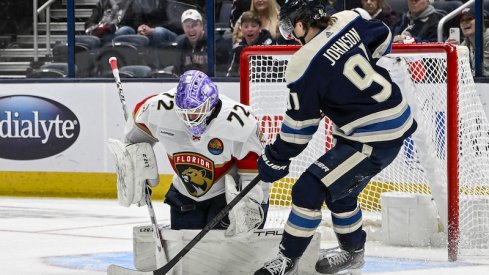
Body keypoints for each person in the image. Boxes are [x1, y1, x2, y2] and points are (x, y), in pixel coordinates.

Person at [253, 0, 417, 274]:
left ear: (302, 24)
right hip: (393, 120)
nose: (291, 35)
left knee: (307, 189)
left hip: (372, 138)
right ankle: (353, 253)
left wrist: (275, 158)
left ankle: (286, 261)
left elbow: (300, 128)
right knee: (340, 194)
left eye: (291, 27)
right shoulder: (350, 18)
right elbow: (384, 36)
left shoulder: (303, 63)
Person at [120, 70, 270, 236]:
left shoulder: (240, 123)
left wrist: (253, 203)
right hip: (184, 193)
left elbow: (254, 173)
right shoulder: (157, 108)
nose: (190, 118)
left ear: (211, 102)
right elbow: (134, 140)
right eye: (184, 112)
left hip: (226, 199)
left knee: (224, 256)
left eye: (196, 111)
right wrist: (135, 165)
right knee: (182, 252)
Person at [227, 11, 275, 76]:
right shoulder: (237, 48)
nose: (250, 29)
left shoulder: (270, 45)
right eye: (246, 27)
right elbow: (231, 75)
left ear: (260, 27)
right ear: (241, 29)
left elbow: (275, 70)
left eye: (253, 26)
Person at [446, 7, 489, 76]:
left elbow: (484, 72)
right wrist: (451, 53)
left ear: (483, 22)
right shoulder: (464, 44)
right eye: (462, 20)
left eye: (470, 19)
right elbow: (453, 73)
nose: (465, 23)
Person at [173, 9, 208, 76]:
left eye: (194, 25)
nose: (191, 29)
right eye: (187, 26)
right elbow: (177, 72)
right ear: (183, 27)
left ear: (201, 26)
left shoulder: (213, 42)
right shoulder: (181, 44)